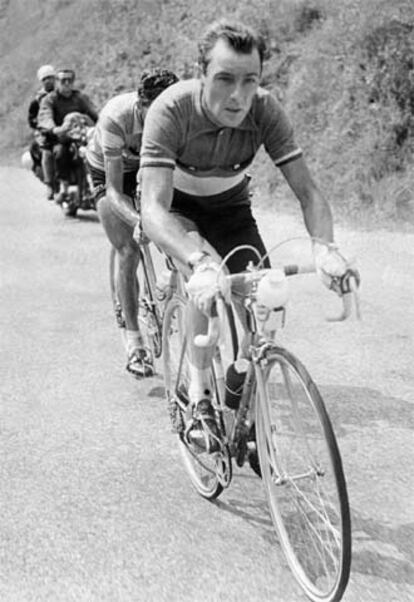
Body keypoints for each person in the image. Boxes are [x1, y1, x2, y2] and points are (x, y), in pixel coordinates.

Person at [114, 19, 357, 448]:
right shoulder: (171, 110)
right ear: (200, 72)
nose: (238, 95)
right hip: (178, 209)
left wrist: (326, 249)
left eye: (250, 81)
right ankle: (200, 398)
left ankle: (239, 378)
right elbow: (152, 208)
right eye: (224, 79)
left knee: (258, 299)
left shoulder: (264, 111)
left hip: (230, 208)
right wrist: (199, 261)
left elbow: (309, 192)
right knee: (202, 290)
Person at [85, 68, 179, 378]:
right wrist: (139, 220)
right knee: (128, 248)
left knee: (178, 226)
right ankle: (134, 342)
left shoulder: (176, 116)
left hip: (148, 167)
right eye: (159, 111)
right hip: (108, 172)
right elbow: (113, 190)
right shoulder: (117, 117)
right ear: (141, 103)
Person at [37, 68, 99, 201]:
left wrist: (102, 123)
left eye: (69, 80)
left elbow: (94, 112)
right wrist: (54, 128)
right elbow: (45, 115)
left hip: (80, 136)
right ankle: (63, 185)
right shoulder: (50, 99)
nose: (66, 83)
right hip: (59, 137)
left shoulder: (80, 97)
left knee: (97, 150)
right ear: (57, 82)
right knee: (60, 152)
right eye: (62, 80)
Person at [27, 64, 56, 199]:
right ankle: (50, 184)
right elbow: (32, 119)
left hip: (63, 129)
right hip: (46, 132)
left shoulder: (62, 94)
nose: (48, 81)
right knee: (45, 150)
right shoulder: (37, 100)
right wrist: (41, 127)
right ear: (42, 81)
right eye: (45, 79)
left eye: (50, 77)